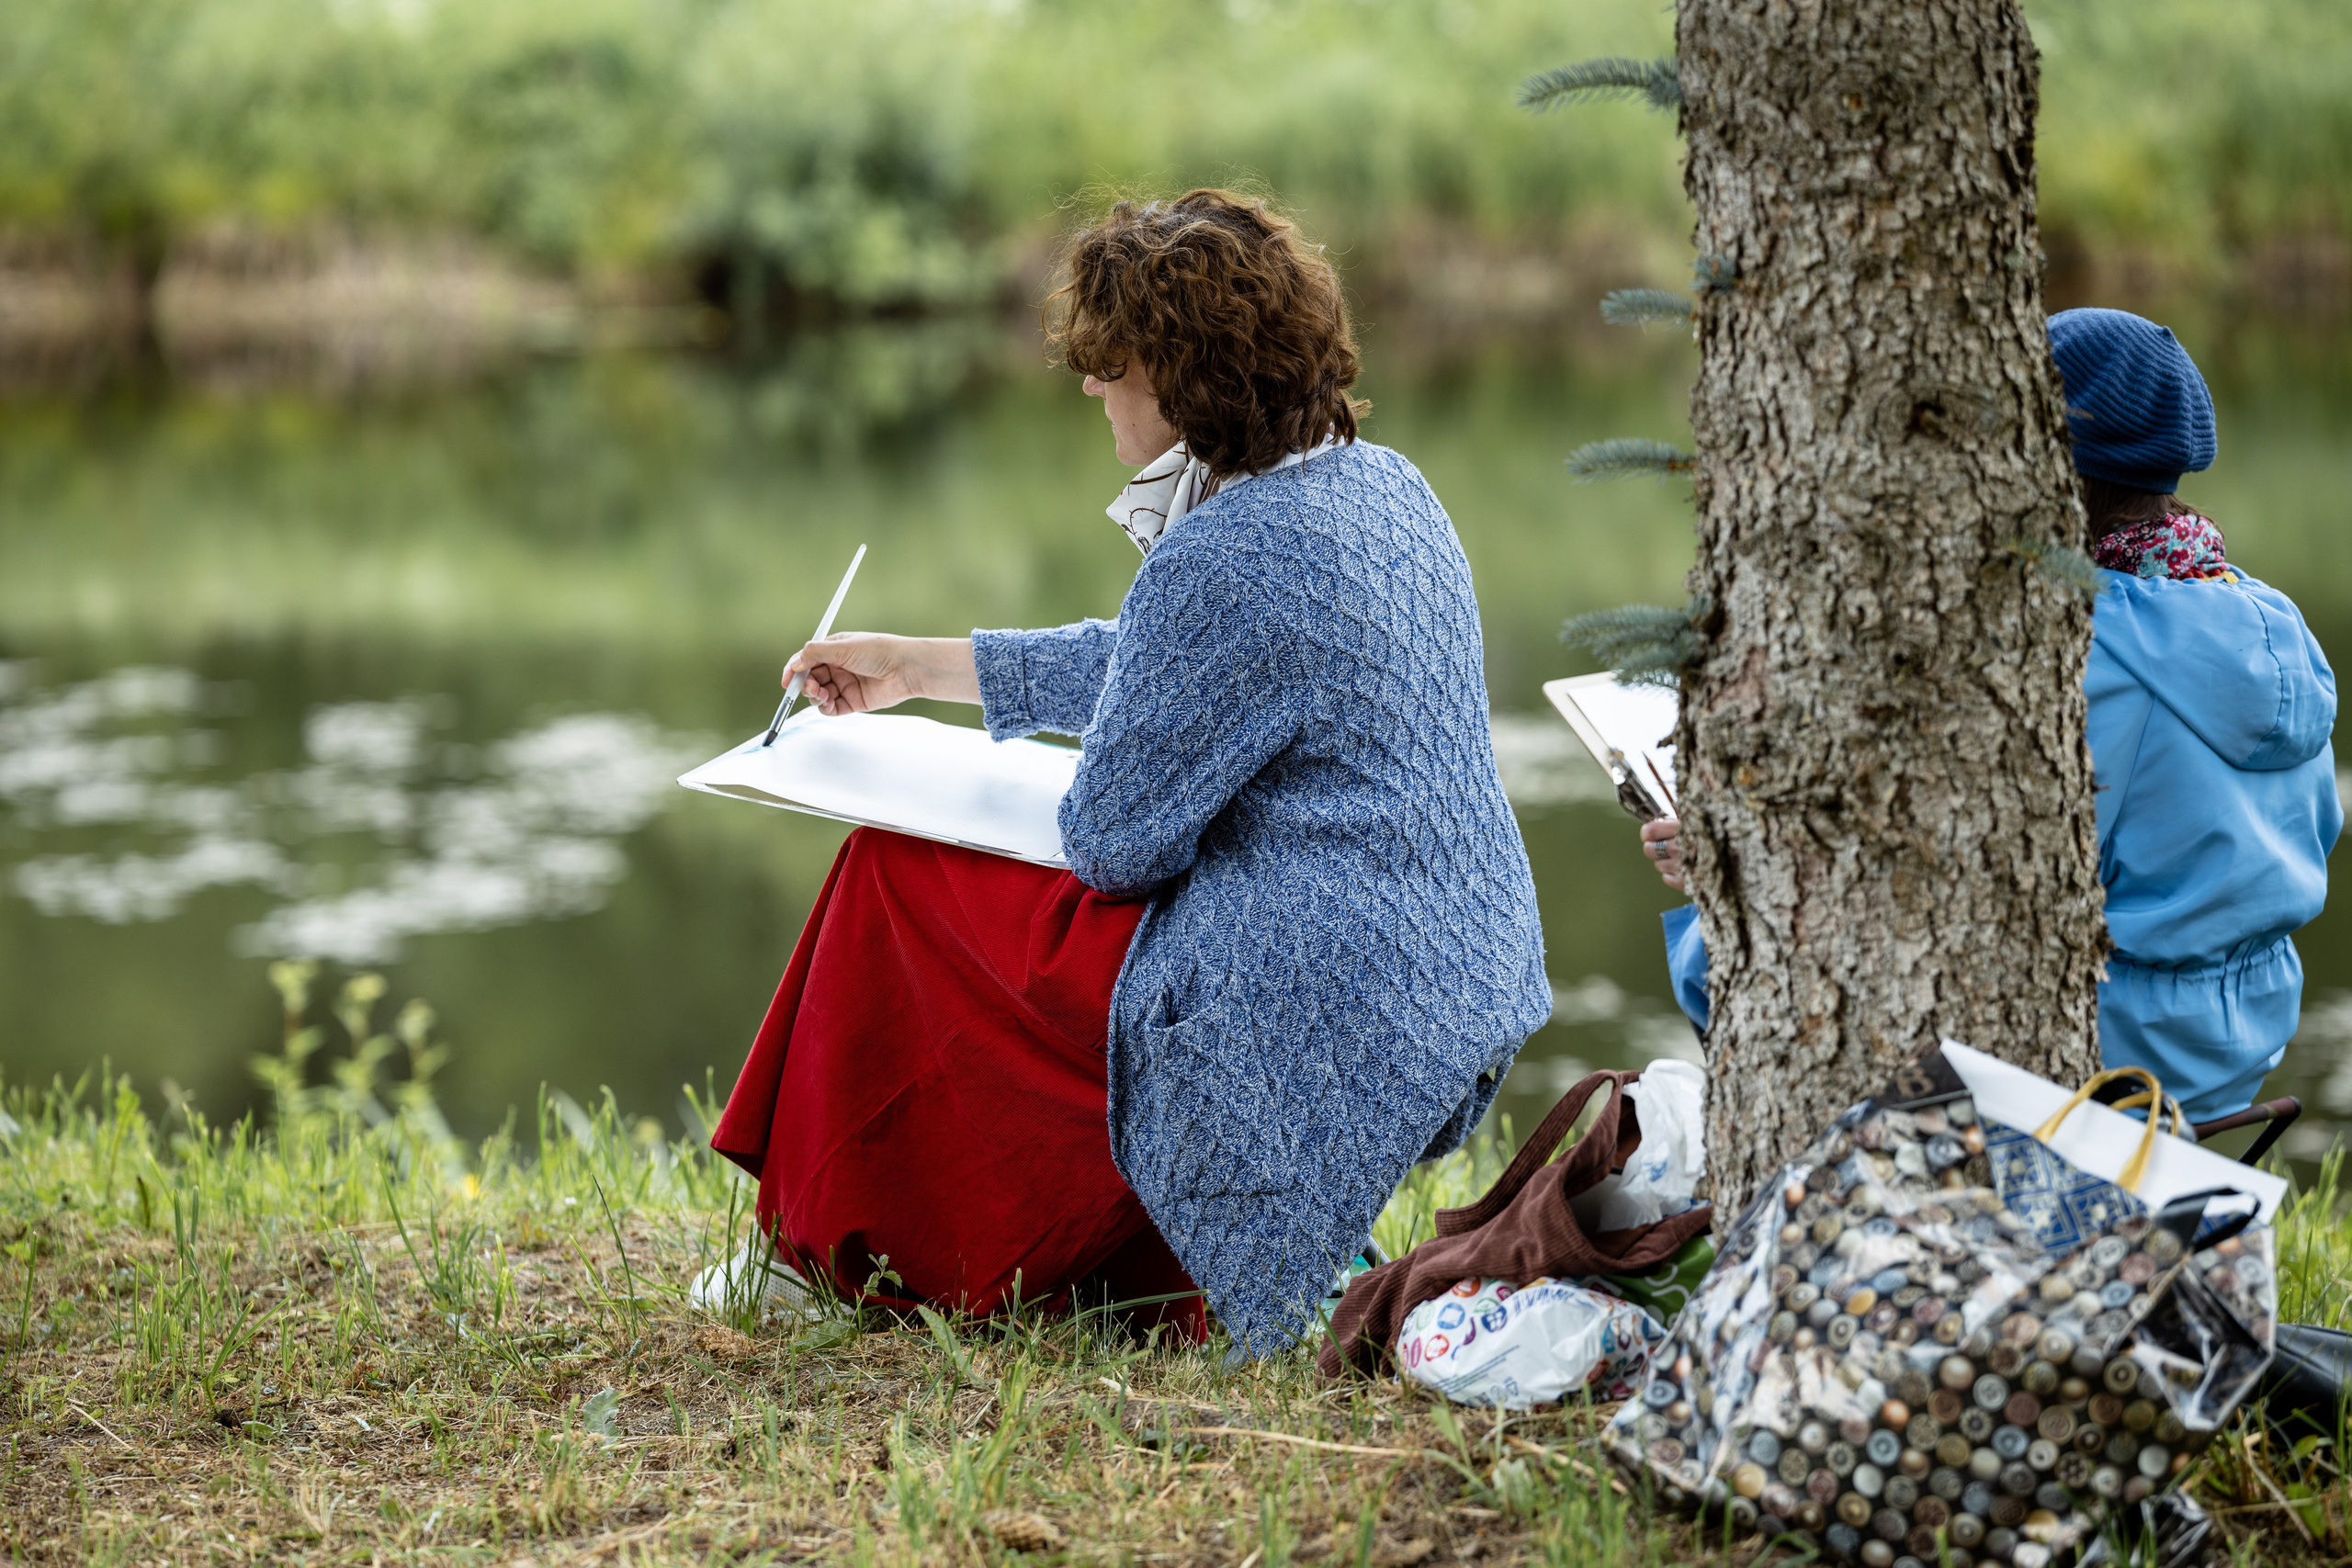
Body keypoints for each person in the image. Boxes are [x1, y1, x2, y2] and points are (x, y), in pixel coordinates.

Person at [707, 189, 1551, 1356]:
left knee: (893, 875)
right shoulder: (1382, 486)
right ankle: (1111, 1258)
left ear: (1178, 374)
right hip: (1459, 961)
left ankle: (832, 1253)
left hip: (1320, 983)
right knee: (967, 893)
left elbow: (1114, 844)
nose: (1090, 386)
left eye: (1109, 364)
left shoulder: (1223, 548)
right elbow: (1192, 667)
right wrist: (919, 667)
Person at [1637, 308, 2339, 1122]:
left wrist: (1732, 872)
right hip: (2230, 1059)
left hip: (2093, 1071)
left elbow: (1941, 882)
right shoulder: (2271, 625)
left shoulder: (2075, 661)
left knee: (1760, 963)